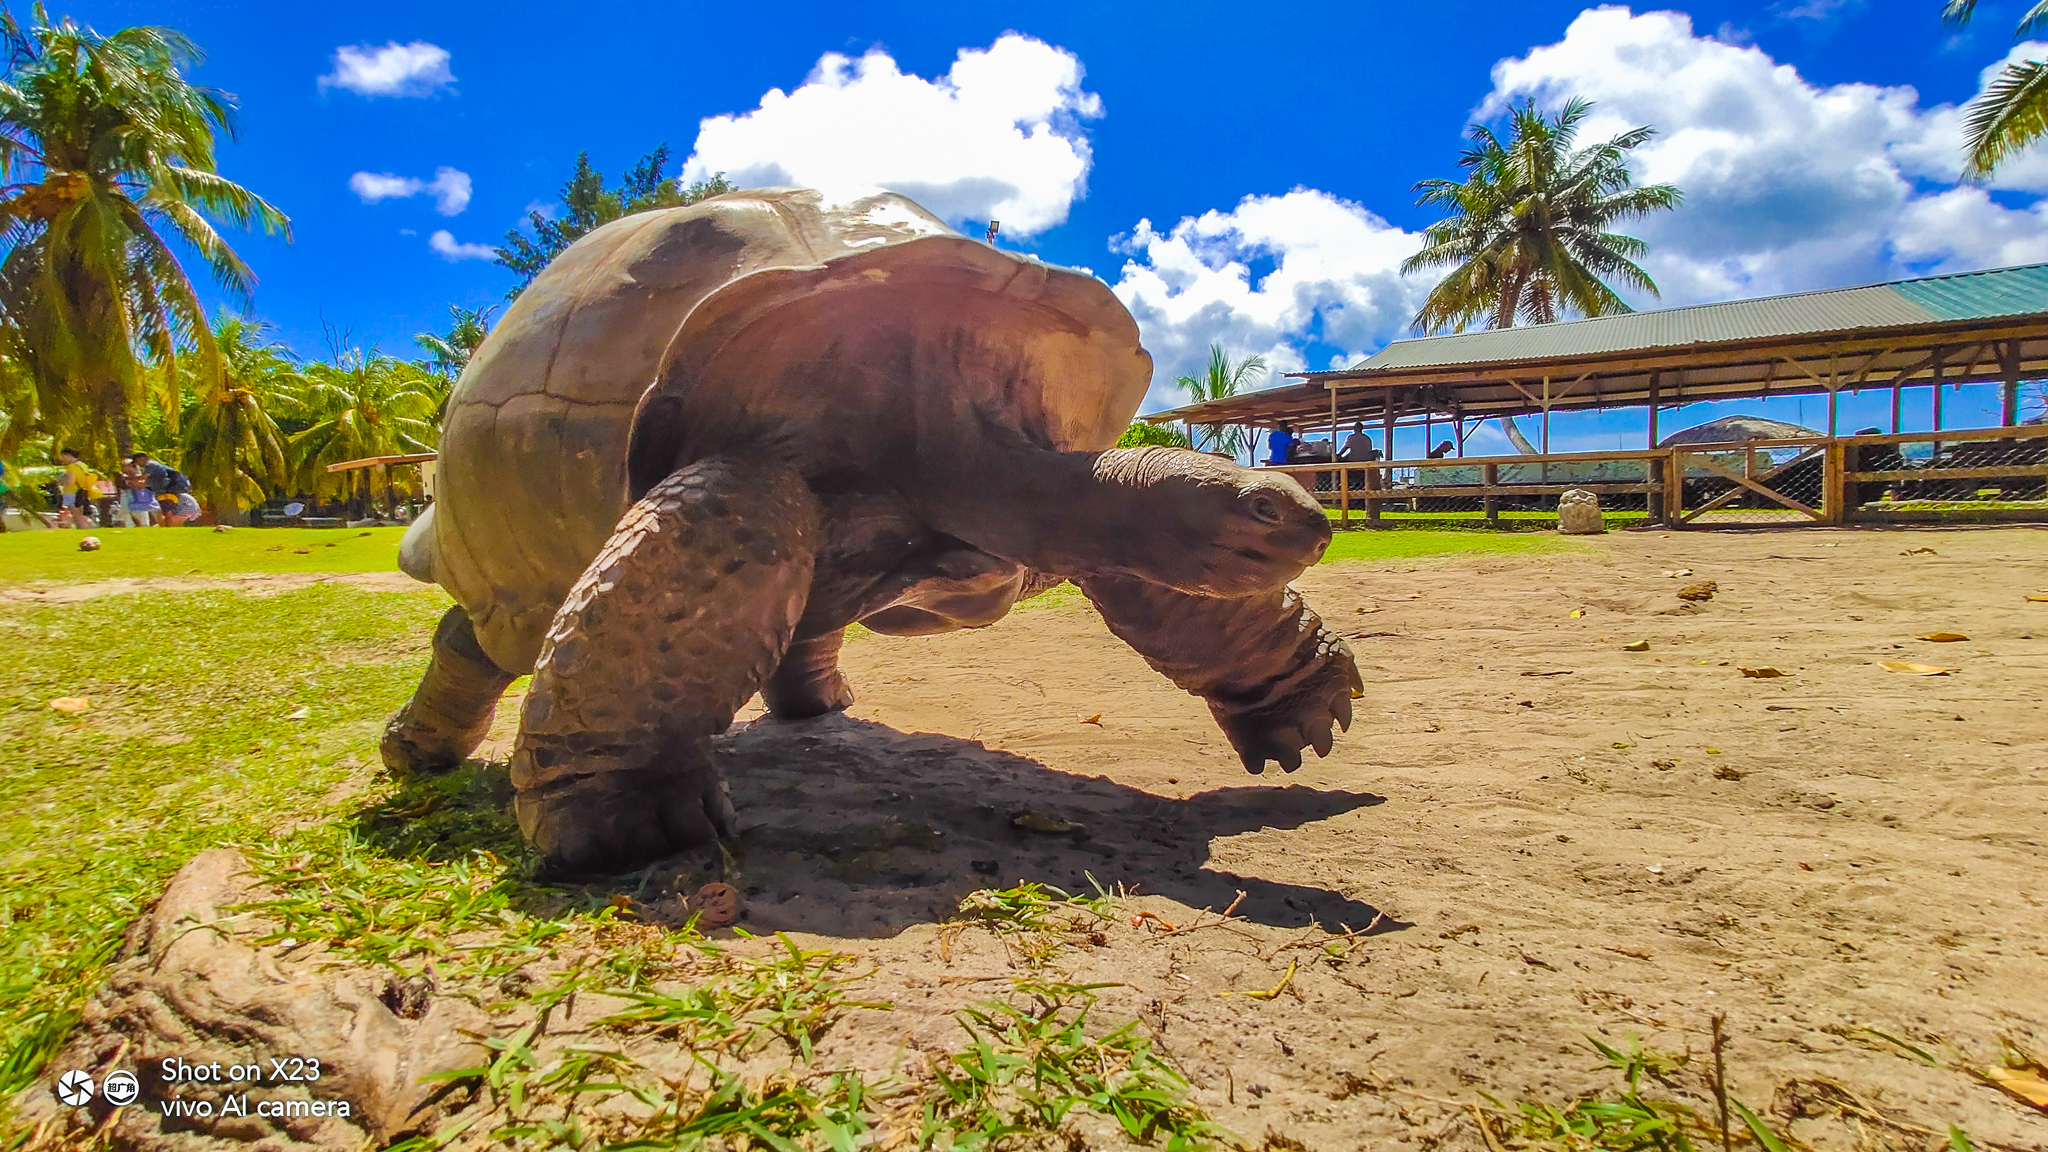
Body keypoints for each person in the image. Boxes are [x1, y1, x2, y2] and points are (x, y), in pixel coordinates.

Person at [55, 448, 100, 528]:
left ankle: (83, 529)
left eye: (62, 456)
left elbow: (70, 481)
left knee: (77, 516)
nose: (62, 459)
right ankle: (91, 527)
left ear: (68, 455)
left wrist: (60, 478)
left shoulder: (72, 467)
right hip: (83, 491)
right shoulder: (82, 465)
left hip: (72, 493)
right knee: (82, 514)